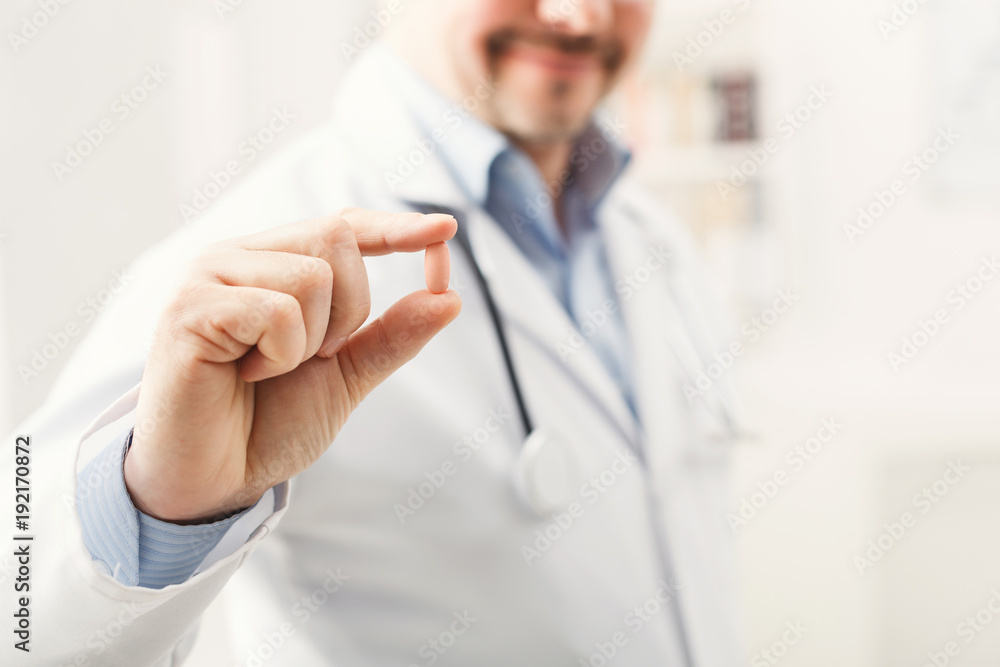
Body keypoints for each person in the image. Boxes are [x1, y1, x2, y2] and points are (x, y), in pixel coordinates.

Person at [16, 0, 743, 664]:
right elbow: (21, 622)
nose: (579, 16)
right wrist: (162, 505)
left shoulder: (655, 240)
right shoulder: (242, 271)